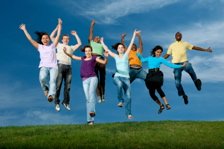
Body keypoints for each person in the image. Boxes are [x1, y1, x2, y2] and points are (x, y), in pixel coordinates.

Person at [19, 18, 62, 103]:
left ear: (49, 39)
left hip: (53, 67)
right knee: (42, 78)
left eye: (47, 38)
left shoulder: (53, 46)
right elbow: (30, 39)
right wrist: (24, 29)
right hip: (44, 66)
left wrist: (60, 25)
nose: (45, 39)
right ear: (41, 40)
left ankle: (51, 95)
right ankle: (46, 89)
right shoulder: (40, 47)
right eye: (43, 38)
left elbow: (58, 36)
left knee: (52, 81)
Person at [63, 45, 108, 125]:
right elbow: (73, 56)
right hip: (84, 80)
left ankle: (92, 111)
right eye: (86, 51)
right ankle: (90, 120)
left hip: (93, 78)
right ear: (85, 52)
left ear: (91, 51)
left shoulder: (94, 58)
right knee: (87, 99)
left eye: (89, 50)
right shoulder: (83, 58)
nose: (87, 52)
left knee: (91, 94)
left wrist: (106, 57)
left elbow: (104, 62)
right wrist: (66, 52)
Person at [164, 32, 212, 104]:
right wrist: (159, 60)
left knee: (191, 70)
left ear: (181, 36)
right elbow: (167, 54)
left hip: (185, 62)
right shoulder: (172, 45)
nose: (178, 36)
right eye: (177, 35)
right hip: (176, 65)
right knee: (177, 83)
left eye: (180, 35)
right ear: (175, 37)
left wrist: (205, 49)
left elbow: (195, 47)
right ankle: (184, 96)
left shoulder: (185, 43)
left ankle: (196, 83)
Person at [100, 30, 139, 120]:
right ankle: (120, 100)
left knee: (129, 97)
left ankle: (129, 114)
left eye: (122, 47)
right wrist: (102, 42)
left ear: (124, 49)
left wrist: (134, 34)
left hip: (126, 78)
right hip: (117, 76)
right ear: (117, 50)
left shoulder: (126, 55)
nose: (121, 48)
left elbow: (130, 44)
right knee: (119, 84)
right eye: (119, 48)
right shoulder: (116, 56)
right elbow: (107, 50)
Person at [137, 45, 184, 114]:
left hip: (157, 74)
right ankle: (161, 105)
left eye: (160, 52)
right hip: (150, 75)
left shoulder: (161, 59)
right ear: (154, 52)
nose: (159, 53)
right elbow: (142, 60)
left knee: (158, 88)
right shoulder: (149, 58)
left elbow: (171, 65)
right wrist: (138, 54)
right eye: (157, 52)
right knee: (151, 93)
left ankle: (167, 104)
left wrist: (181, 65)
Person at [50, 27, 82, 112]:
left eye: (67, 39)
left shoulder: (71, 47)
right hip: (60, 65)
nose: (66, 40)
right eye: (65, 39)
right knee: (58, 86)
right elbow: (51, 36)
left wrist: (75, 35)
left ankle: (66, 102)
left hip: (69, 67)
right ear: (62, 39)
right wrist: (57, 27)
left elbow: (79, 43)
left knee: (67, 87)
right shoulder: (58, 45)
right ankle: (56, 102)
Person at [88, 20, 106, 103]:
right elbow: (91, 33)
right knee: (96, 79)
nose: (97, 38)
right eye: (96, 37)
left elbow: (106, 50)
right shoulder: (91, 42)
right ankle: (98, 96)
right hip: (94, 59)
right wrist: (92, 25)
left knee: (102, 78)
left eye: (99, 38)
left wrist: (102, 42)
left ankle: (103, 95)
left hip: (101, 59)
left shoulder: (101, 44)